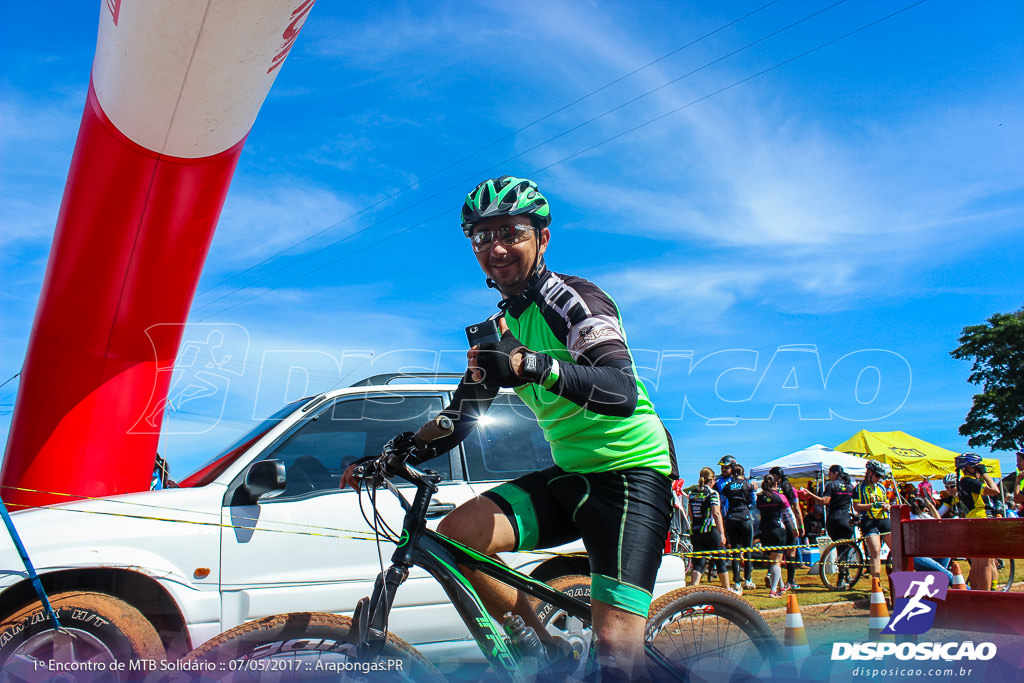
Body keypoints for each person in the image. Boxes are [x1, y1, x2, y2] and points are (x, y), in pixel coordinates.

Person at [344, 176, 676, 679]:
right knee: (458, 535)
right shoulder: (496, 332)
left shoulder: (573, 300)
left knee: (615, 651)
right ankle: (548, 647)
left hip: (630, 474)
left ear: (541, 238)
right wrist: (394, 453)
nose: (496, 247)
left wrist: (532, 365)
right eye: (482, 237)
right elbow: (457, 420)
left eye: (511, 232)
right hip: (571, 473)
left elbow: (620, 389)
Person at [803, 464, 857, 589]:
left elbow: (824, 501)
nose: (829, 476)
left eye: (830, 474)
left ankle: (842, 578)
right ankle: (845, 575)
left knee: (839, 549)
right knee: (845, 549)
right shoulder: (850, 486)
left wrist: (810, 494)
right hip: (846, 520)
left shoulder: (831, 485)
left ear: (835, 473)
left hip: (834, 520)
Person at [954, 453, 1001, 590]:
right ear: (968, 467)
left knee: (977, 564)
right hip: (981, 519)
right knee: (985, 563)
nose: (979, 468)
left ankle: (977, 595)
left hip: (972, 520)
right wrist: (985, 474)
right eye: (976, 466)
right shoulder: (969, 481)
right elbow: (995, 490)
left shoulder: (962, 482)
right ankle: (986, 597)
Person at [687, 467, 734, 592]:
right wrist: (722, 533)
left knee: (698, 562)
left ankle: (693, 590)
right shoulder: (713, 493)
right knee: (720, 560)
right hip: (711, 530)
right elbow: (716, 513)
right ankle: (727, 590)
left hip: (696, 531)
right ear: (712, 480)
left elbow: (690, 514)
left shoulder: (692, 493)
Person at [756, 474, 797, 597]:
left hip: (764, 530)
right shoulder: (780, 497)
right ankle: (773, 590)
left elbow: (757, 514)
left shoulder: (760, 498)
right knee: (776, 561)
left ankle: (781, 586)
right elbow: (789, 514)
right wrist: (795, 528)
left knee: (773, 560)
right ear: (776, 484)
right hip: (778, 530)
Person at [852, 459, 892, 583]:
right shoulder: (859, 488)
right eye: (877, 475)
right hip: (869, 521)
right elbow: (856, 506)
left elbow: (887, 503)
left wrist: (887, 506)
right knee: (875, 551)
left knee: (897, 548)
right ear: (869, 472)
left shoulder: (881, 487)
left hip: (884, 520)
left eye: (880, 476)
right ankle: (877, 584)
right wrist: (872, 505)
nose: (879, 479)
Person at [720, 463, 757, 592]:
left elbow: (723, 501)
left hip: (731, 517)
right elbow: (753, 501)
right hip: (745, 516)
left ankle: (736, 582)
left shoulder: (727, 486)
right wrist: (748, 509)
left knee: (735, 550)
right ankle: (748, 580)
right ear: (743, 473)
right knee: (748, 549)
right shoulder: (748, 485)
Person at [768, 466, 805, 591]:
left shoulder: (772, 490)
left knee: (775, 554)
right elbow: (796, 508)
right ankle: (790, 580)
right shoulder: (791, 489)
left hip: (775, 523)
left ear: (776, 476)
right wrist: (800, 525)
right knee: (791, 552)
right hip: (789, 522)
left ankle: (775, 579)